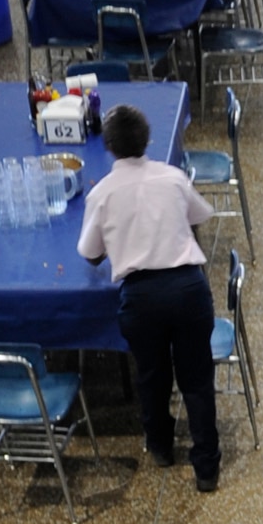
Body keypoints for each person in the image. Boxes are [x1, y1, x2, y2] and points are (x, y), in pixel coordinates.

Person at [77, 104, 222, 491]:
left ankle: (160, 446)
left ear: (108, 147)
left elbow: (90, 253)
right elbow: (199, 216)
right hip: (189, 290)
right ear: (147, 139)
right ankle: (207, 467)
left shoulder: (103, 193)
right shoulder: (172, 178)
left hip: (141, 298)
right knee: (196, 379)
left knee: (152, 375)